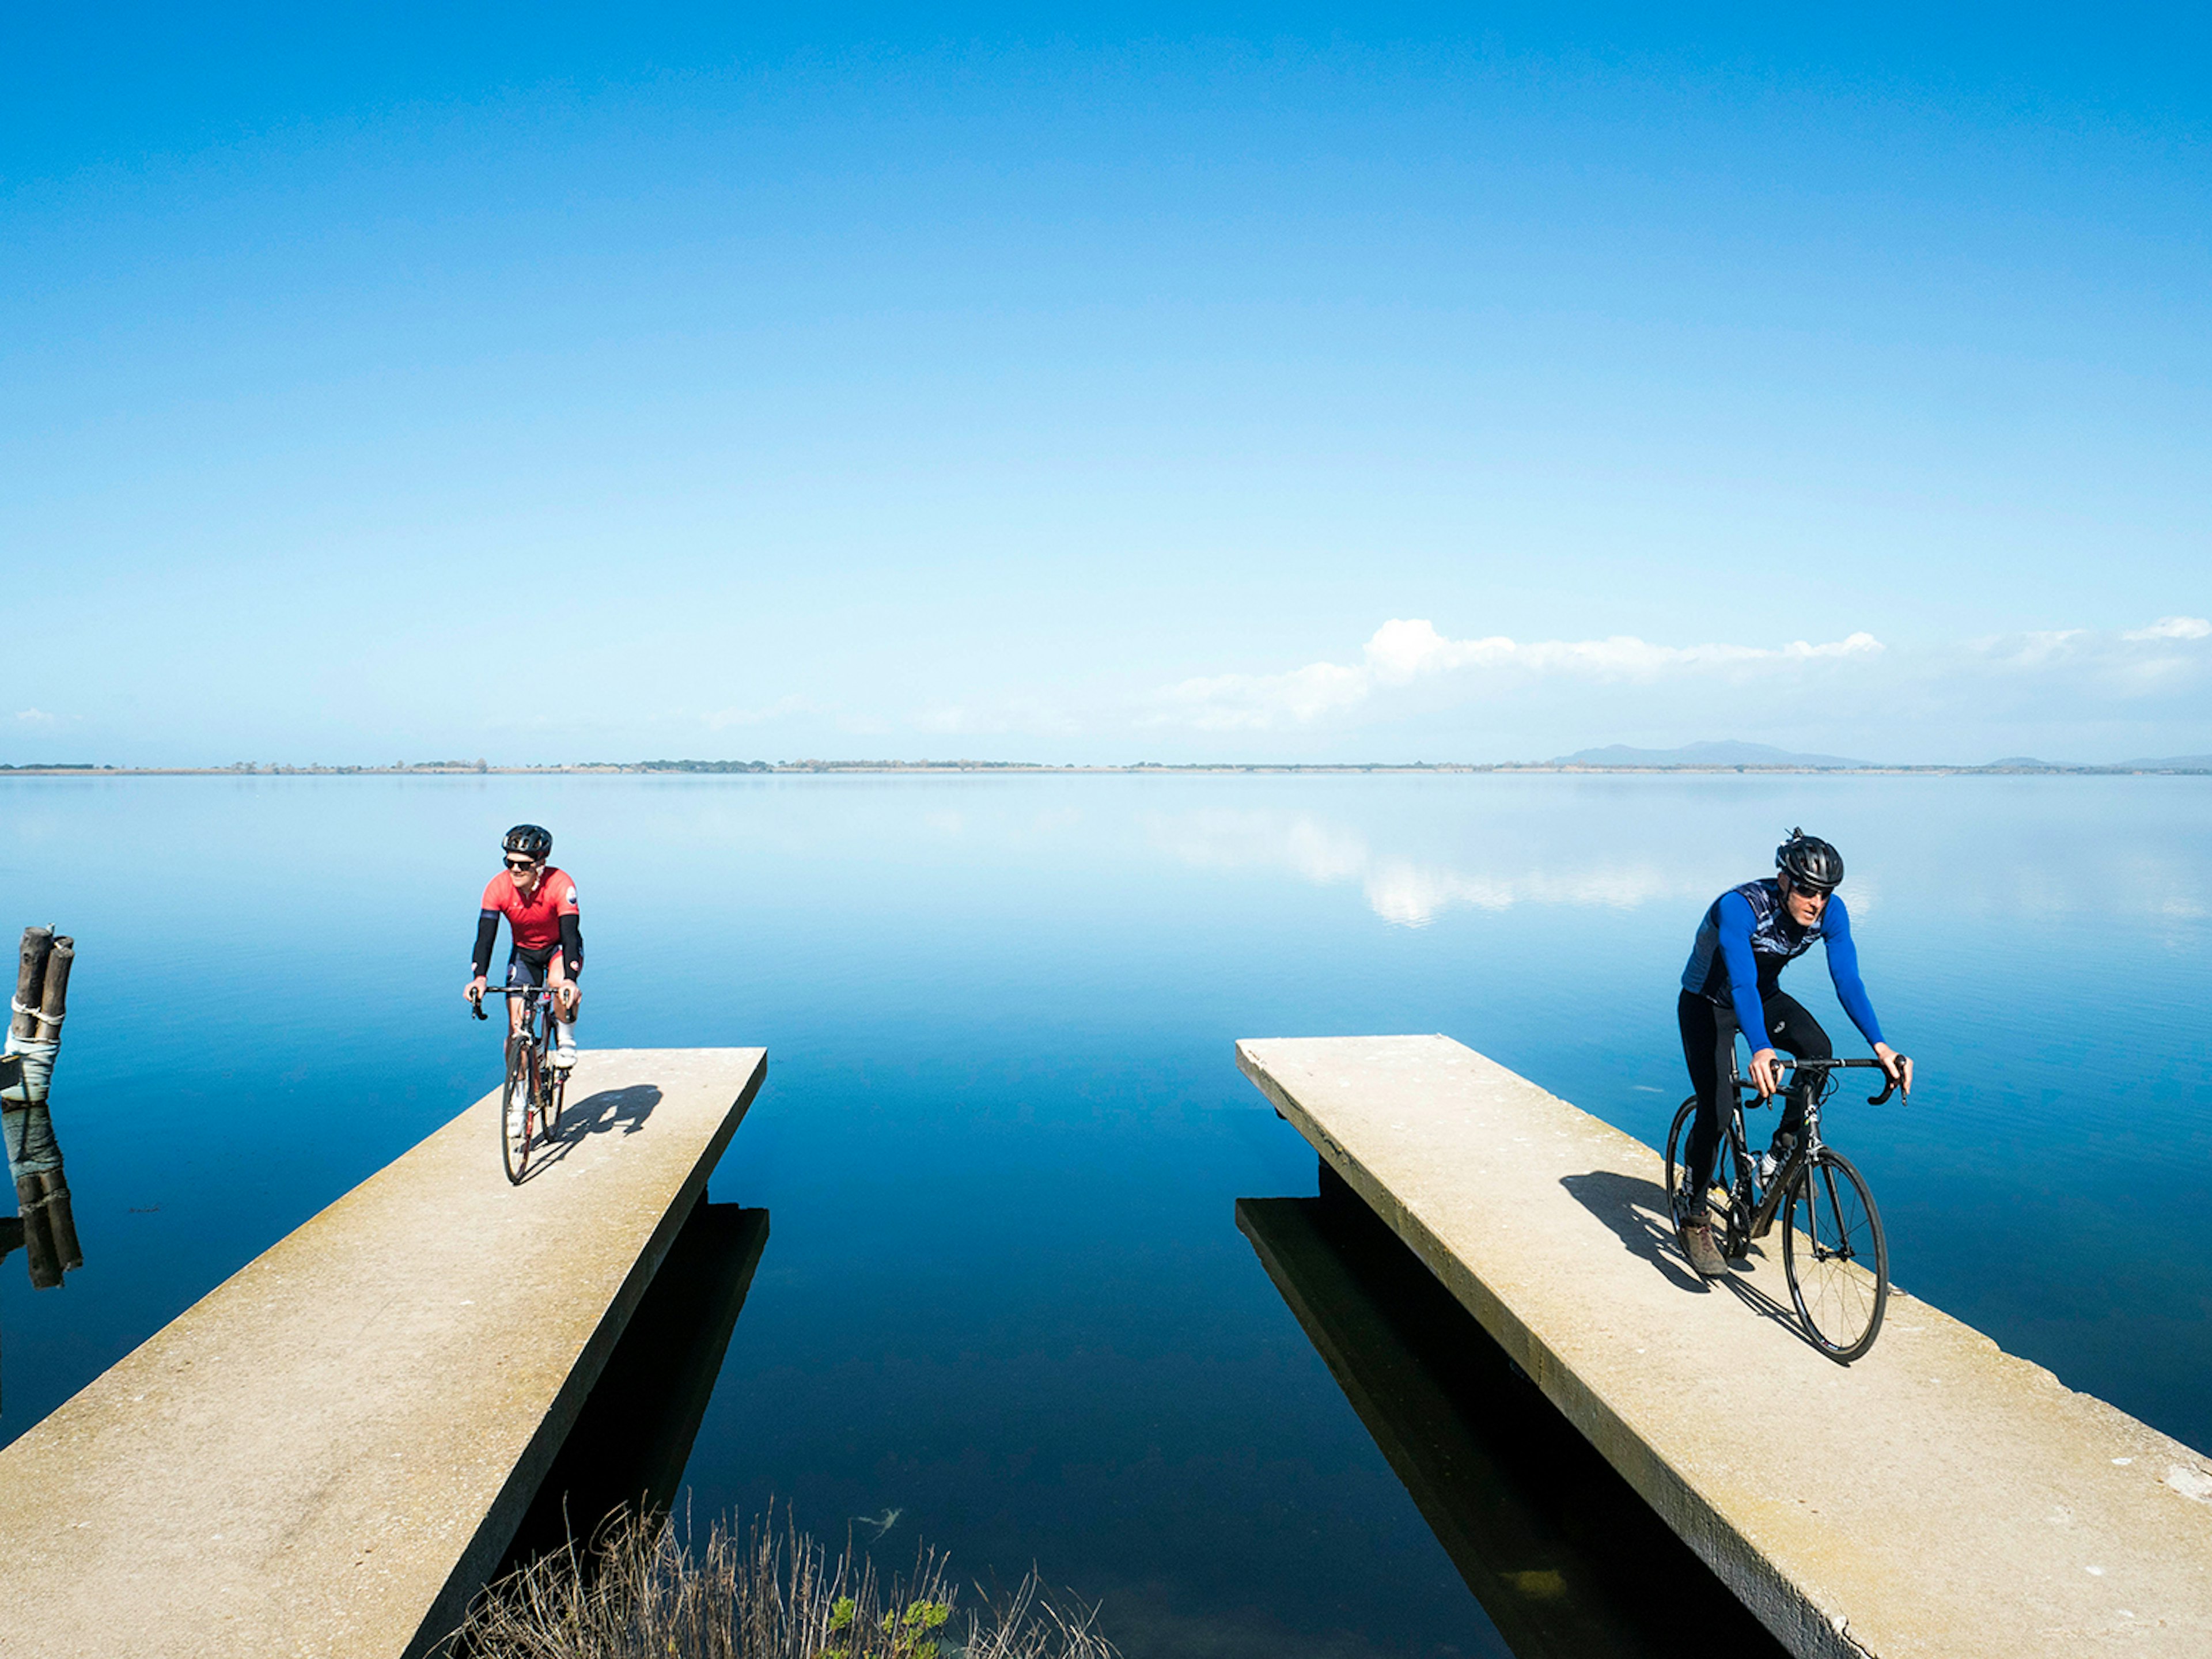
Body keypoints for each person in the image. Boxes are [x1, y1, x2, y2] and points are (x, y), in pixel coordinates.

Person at [1674, 828, 1911, 1279]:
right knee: (1719, 1111)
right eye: (1805, 889)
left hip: (1762, 996)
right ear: (1783, 880)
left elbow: (1848, 980)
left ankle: (1778, 1156)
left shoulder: (1831, 913)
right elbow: (1740, 980)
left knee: (1818, 1052)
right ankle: (1694, 1211)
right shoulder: (1740, 907)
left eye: (1825, 893)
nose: (1816, 902)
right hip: (1708, 1004)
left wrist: (1881, 1046)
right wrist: (1761, 1049)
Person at [465, 824, 583, 1069]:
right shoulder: (497, 887)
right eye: (509, 863)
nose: (515, 870)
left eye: (524, 865)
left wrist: (571, 980)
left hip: (558, 948)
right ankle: (519, 1097)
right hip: (524, 953)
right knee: (516, 1029)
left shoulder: (561, 883)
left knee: (558, 983)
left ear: (540, 864)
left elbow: (570, 935)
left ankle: (566, 1040)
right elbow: (486, 937)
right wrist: (479, 978)